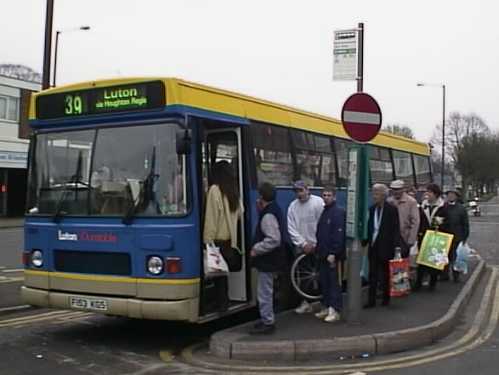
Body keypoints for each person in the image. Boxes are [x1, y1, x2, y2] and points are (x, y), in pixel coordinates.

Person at [203, 161, 242, 309]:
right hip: (229, 241)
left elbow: (211, 218)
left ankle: (221, 305)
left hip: (217, 241)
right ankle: (223, 303)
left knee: (218, 275)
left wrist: (207, 240)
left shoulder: (215, 190)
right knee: (223, 276)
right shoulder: (233, 191)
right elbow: (240, 214)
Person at [250, 182, 284, 334]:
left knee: (264, 291)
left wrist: (256, 249)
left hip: (268, 260)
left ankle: (268, 323)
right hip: (270, 260)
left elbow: (274, 239)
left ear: (262, 197)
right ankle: (265, 318)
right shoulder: (272, 209)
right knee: (265, 290)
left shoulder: (268, 215)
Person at [287, 180, 324, 314]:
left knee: (322, 274)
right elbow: (291, 228)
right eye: (297, 191)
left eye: (301, 190)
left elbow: (323, 224)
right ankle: (306, 302)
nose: (299, 194)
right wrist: (303, 244)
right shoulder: (293, 207)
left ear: (308, 190)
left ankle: (324, 302)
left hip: (318, 245)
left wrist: (317, 243)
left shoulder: (318, 202)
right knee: (303, 277)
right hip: (303, 248)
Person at [363, 183, 401, 308]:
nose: (374, 196)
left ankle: (386, 297)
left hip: (386, 246)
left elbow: (396, 229)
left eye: (377, 194)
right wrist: (366, 240)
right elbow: (369, 226)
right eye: (373, 193)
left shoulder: (391, 210)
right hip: (374, 245)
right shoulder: (372, 209)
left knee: (385, 273)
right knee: (372, 274)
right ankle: (371, 300)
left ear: (384, 195)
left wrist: (396, 246)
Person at [314, 185, 346, 322]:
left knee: (334, 283)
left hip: (333, 256)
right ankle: (326, 306)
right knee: (324, 282)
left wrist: (334, 252)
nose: (326, 198)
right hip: (322, 254)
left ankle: (335, 310)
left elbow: (338, 235)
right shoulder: (325, 211)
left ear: (334, 196)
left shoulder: (337, 212)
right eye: (324, 195)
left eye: (328, 195)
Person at [414, 183, 449, 291]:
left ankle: (432, 283)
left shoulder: (443, 207)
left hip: (436, 237)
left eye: (429, 192)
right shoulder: (422, 206)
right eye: (426, 192)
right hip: (423, 236)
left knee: (434, 261)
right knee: (421, 261)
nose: (427, 194)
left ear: (436, 194)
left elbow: (445, 222)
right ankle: (418, 283)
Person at [443, 188, 470, 282]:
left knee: (456, 257)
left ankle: (456, 275)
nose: (450, 196)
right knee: (445, 256)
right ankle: (444, 275)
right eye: (449, 194)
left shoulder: (461, 208)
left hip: (457, 236)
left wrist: (465, 237)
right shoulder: (443, 207)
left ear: (456, 196)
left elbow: (465, 224)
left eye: (452, 194)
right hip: (445, 236)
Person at [388, 180, 420, 258]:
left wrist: (411, 240)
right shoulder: (389, 201)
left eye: (398, 189)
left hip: (404, 238)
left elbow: (415, 221)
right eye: (394, 189)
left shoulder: (411, 202)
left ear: (403, 189)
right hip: (390, 238)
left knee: (402, 263)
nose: (396, 192)